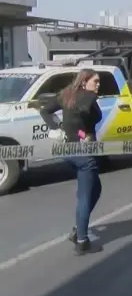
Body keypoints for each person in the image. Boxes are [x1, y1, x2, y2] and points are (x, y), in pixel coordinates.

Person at [39, 69, 103, 255]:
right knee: (85, 195)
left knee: (96, 189)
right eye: (95, 81)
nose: (98, 85)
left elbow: (45, 110)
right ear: (84, 82)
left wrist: (58, 127)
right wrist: (82, 134)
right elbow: (82, 111)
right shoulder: (88, 97)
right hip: (83, 154)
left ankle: (79, 229)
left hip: (70, 150)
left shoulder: (67, 94)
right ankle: (82, 240)